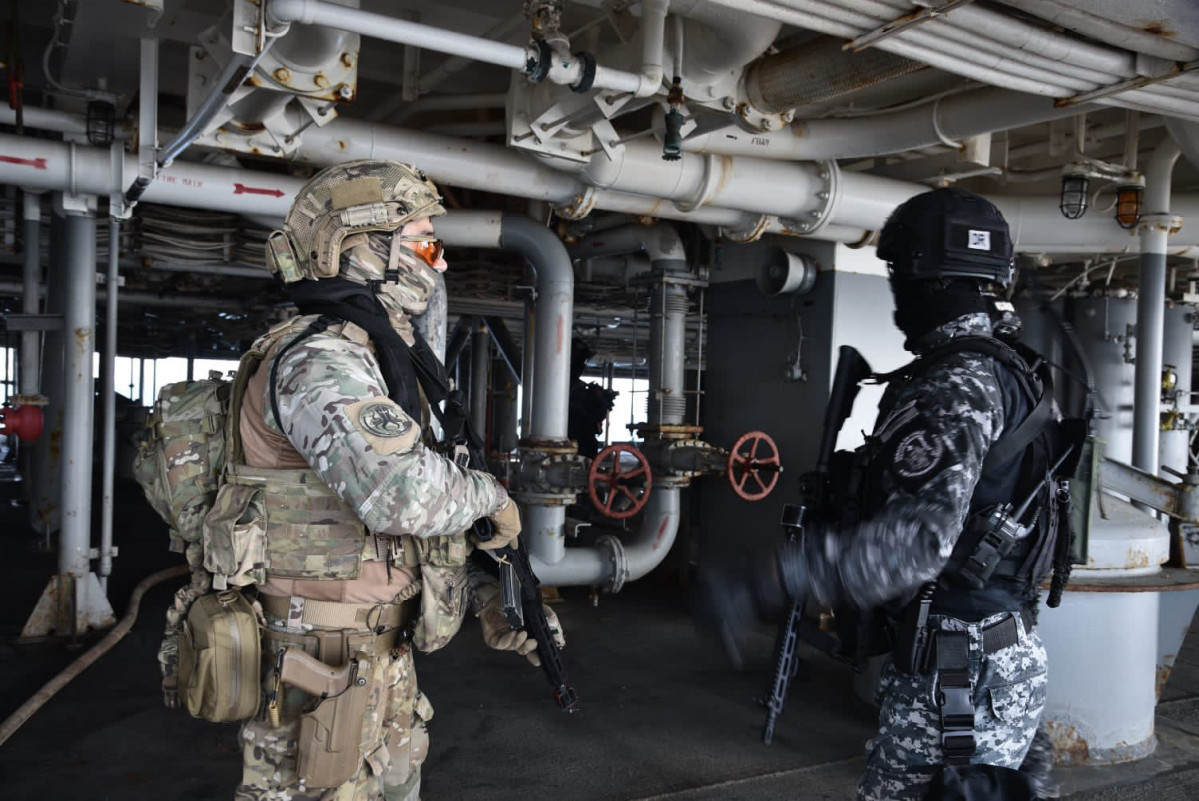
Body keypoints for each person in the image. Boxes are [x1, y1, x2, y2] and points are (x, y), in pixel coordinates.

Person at [702, 187, 1071, 800]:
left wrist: (769, 579)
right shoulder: (1013, 371)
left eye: (897, 273)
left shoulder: (956, 384)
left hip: (959, 672)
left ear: (927, 277)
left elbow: (919, 544)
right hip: (997, 653)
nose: (895, 290)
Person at [208, 160, 559, 801]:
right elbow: (400, 494)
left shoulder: (377, 359)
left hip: (378, 658)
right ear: (364, 248)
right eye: (428, 244)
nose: (442, 263)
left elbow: (396, 533)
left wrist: (484, 594)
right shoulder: (321, 360)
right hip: (318, 666)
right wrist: (491, 497)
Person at [567, 337, 618, 459]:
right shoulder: (576, 388)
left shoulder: (579, 387)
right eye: (581, 360)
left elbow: (596, 414)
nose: (582, 365)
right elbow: (596, 414)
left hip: (580, 442)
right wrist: (600, 400)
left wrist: (600, 400)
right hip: (580, 442)